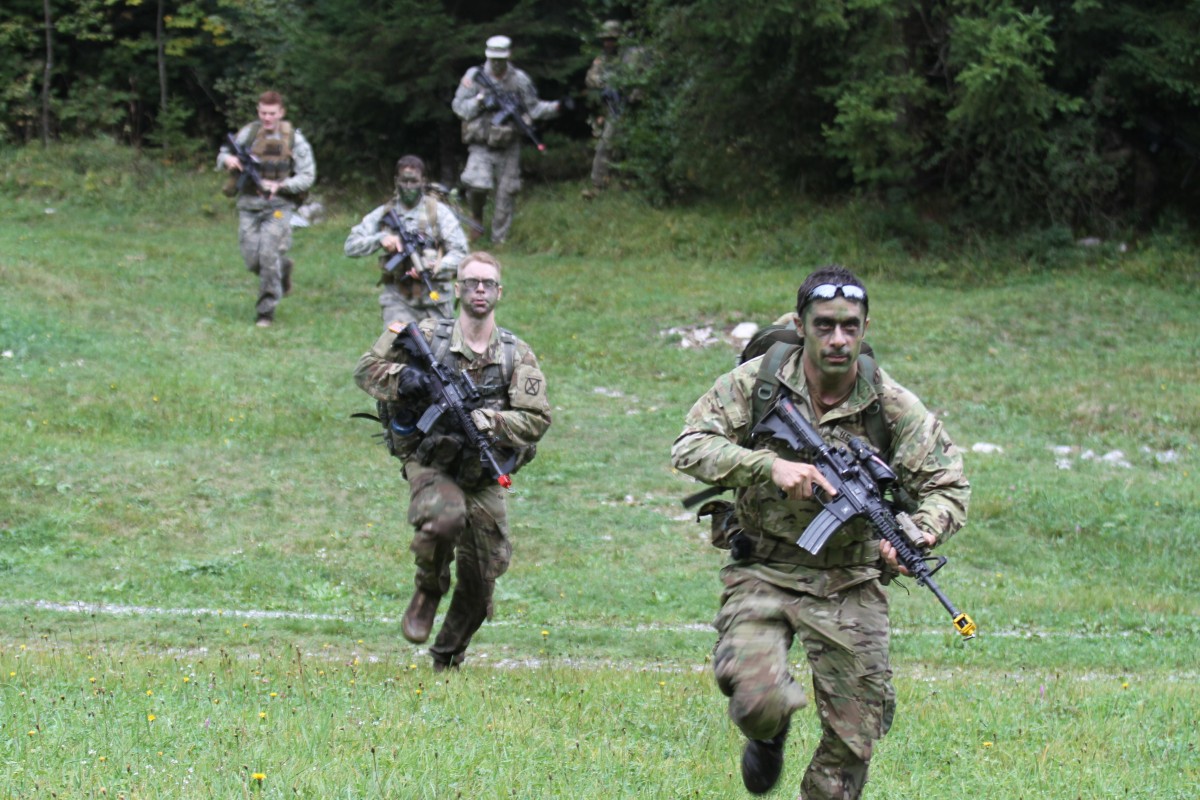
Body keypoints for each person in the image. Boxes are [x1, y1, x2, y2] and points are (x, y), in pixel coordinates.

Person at [670, 265, 970, 799]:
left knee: (856, 738)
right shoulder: (756, 384)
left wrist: (918, 535)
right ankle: (769, 734)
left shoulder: (891, 405)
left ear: (865, 327)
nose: (838, 339)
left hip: (849, 579)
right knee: (758, 702)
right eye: (825, 325)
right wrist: (769, 467)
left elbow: (948, 486)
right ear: (802, 324)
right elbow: (690, 445)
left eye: (850, 326)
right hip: (764, 568)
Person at [354, 251, 551, 671]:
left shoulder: (518, 355)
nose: (480, 289)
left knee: (483, 579)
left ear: (500, 292)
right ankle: (428, 588)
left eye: (488, 283)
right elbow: (366, 370)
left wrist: (492, 420)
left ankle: (447, 656)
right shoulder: (427, 335)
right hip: (431, 463)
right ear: (458, 288)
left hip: (481, 473)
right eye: (472, 282)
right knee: (445, 516)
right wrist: (405, 379)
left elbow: (537, 418)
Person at [217, 90, 316, 328]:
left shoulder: (294, 139)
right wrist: (227, 160)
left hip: (278, 207)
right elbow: (223, 153)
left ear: (281, 112)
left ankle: (265, 312)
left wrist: (281, 185)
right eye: (263, 112)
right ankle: (284, 269)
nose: (267, 117)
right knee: (253, 260)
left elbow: (308, 176)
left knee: (268, 253)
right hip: (249, 205)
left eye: (272, 113)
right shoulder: (249, 133)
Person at [451, 35, 560, 244]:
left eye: (501, 59)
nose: (497, 63)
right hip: (481, 143)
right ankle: (476, 219)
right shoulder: (475, 76)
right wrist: (480, 102)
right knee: (477, 185)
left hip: (509, 145)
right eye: (493, 59)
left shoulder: (519, 79)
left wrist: (557, 107)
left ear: (508, 56)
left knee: (507, 192)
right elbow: (459, 108)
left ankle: (499, 242)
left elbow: (534, 108)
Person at [344, 155, 469, 325]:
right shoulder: (384, 213)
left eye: (414, 181)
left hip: (435, 298)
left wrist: (435, 266)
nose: (409, 187)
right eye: (404, 181)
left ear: (423, 181)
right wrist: (380, 239)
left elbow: (461, 255)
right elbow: (350, 246)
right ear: (396, 181)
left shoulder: (439, 213)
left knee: (439, 349)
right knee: (396, 347)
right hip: (397, 299)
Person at [583, 20, 637, 198]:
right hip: (615, 110)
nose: (608, 43)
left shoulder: (631, 56)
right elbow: (590, 77)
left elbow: (640, 79)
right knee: (605, 145)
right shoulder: (603, 59)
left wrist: (629, 91)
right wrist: (605, 82)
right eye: (605, 39)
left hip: (635, 110)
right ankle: (598, 186)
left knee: (632, 147)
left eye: (611, 39)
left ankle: (631, 184)